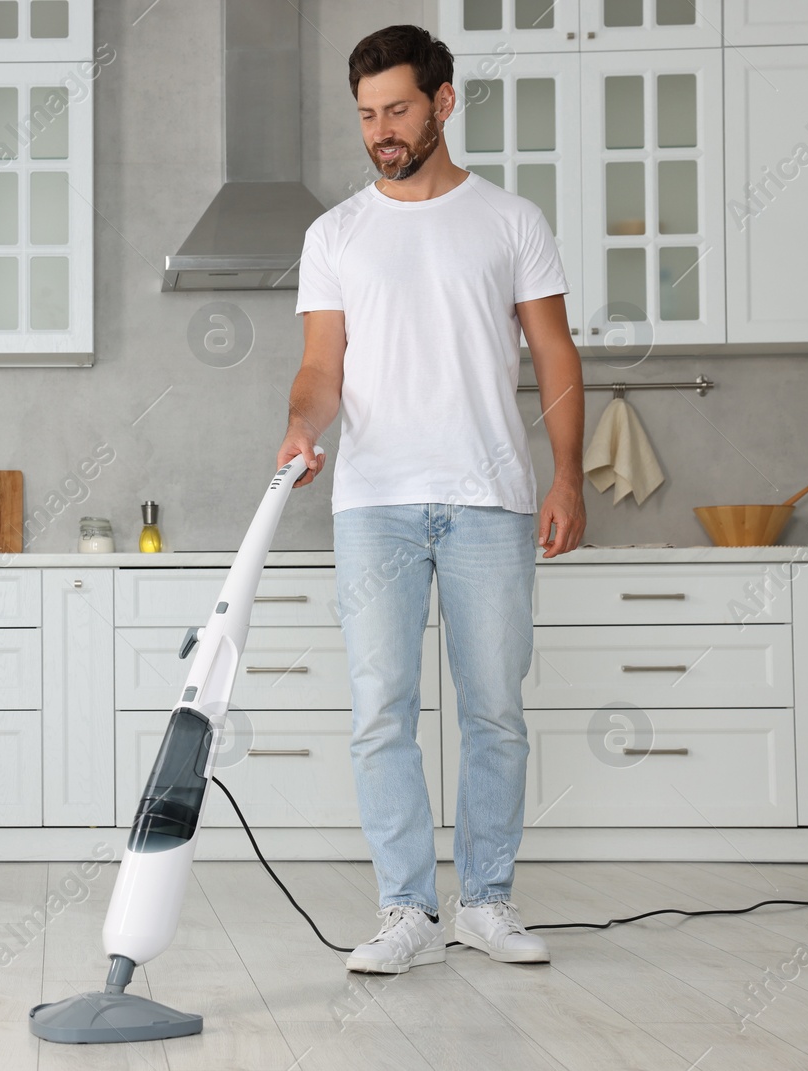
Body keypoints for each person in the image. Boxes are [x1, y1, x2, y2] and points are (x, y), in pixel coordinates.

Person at [275, 24, 587, 974]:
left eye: (398, 109)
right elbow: (320, 368)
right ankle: (407, 909)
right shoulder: (335, 234)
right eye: (367, 114)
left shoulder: (510, 220)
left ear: (444, 102)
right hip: (374, 505)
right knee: (381, 709)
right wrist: (302, 427)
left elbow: (554, 355)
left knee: (494, 707)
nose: (381, 131)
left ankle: (486, 900)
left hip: (489, 493)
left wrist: (568, 472)